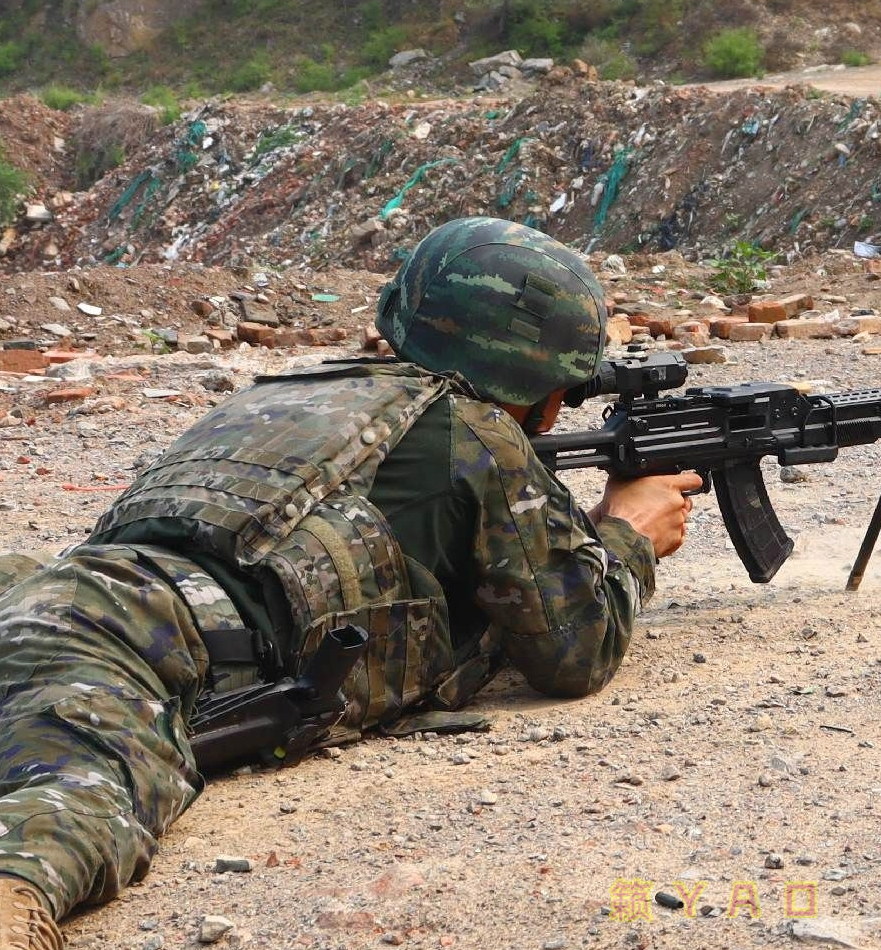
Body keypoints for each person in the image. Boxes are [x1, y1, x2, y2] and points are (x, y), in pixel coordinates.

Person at [0, 217, 702, 949]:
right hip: (124, 631)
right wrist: (629, 534)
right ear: (539, 387)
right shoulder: (478, 434)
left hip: (62, 594)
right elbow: (575, 650)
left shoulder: (288, 395)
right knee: (72, 803)